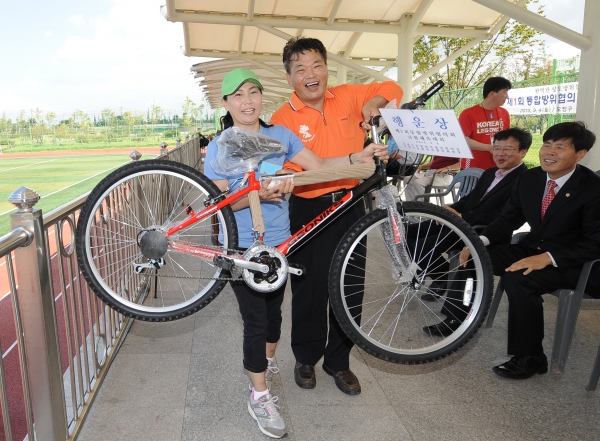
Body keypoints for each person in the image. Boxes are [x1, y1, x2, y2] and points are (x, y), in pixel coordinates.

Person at [203, 68, 387, 438]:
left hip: (279, 243)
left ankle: (265, 363)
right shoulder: (220, 146)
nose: (247, 101)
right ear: (225, 103)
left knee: (273, 317)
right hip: (241, 245)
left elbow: (318, 167)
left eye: (253, 92)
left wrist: (358, 155)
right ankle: (259, 395)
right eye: (237, 95)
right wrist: (255, 194)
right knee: (255, 321)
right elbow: (218, 203)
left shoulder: (279, 136)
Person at [270, 37, 404, 396]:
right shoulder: (281, 119)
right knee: (309, 286)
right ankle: (305, 357)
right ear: (289, 78)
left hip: (353, 202)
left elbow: (392, 87)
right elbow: (283, 169)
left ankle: (339, 361)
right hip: (309, 206)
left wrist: (373, 105)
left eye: (317, 65)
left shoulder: (348, 94)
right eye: (300, 69)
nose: (310, 75)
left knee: (350, 285)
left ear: (327, 69)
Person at [459, 121, 600, 379]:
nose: (550, 152)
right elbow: (509, 218)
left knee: (519, 280)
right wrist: (480, 241)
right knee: (474, 259)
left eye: (560, 147)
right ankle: (457, 321)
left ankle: (531, 357)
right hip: (532, 248)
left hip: (574, 262)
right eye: (547, 144)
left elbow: (596, 243)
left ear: (580, 154)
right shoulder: (530, 178)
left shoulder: (592, 188)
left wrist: (547, 258)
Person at [414, 127, 531, 305]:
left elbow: (503, 217)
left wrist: (461, 216)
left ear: (523, 152)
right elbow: (470, 198)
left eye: (507, 149)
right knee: (408, 233)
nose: (500, 153)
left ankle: (444, 280)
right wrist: (451, 208)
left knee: (422, 246)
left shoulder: (524, 180)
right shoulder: (490, 172)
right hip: (460, 222)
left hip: (482, 230)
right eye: (496, 148)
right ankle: (443, 277)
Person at [459, 76, 512, 170]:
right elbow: (463, 140)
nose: (507, 96)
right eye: (505, 92)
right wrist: (488, 148)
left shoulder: (504, 113)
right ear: (492, 94)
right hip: (473, 166)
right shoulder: (468, 114)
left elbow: (506, 137)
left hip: (498, 166)